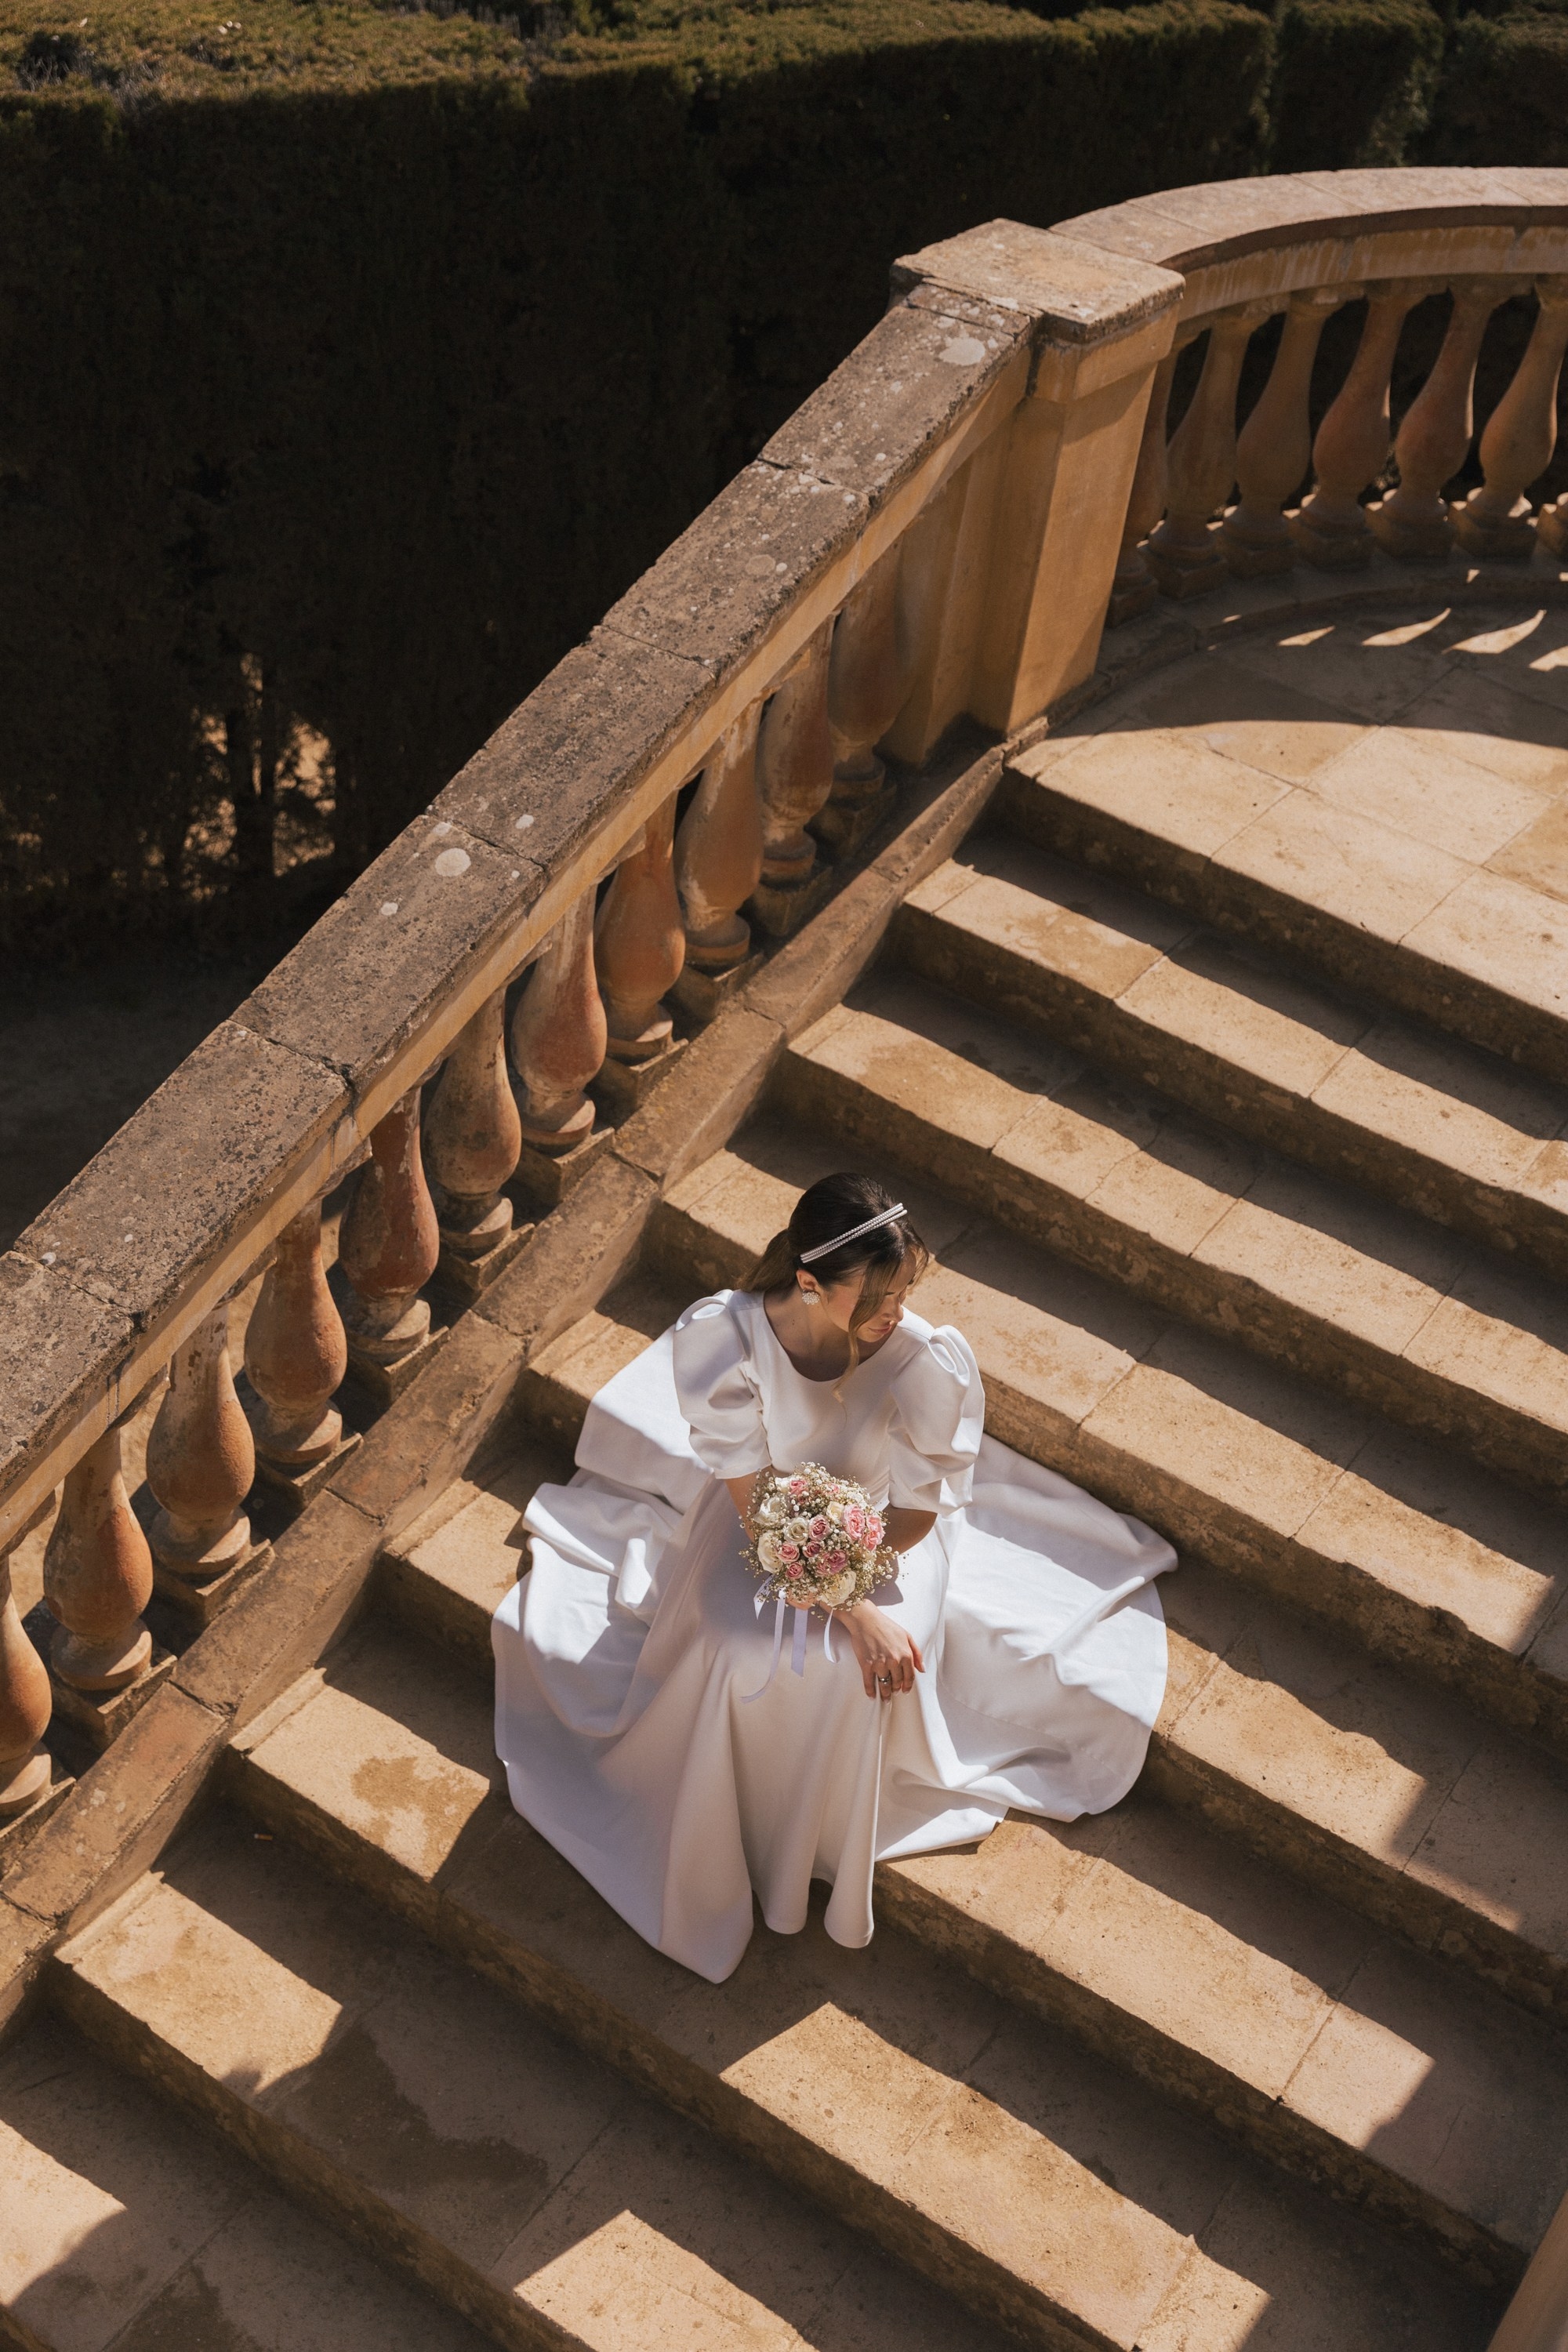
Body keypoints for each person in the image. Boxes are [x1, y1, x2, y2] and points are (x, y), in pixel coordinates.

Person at [492, 1172, 1174, 1984]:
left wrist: (860, 1563)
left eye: (904, 1292)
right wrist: (849, 1611)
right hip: (758, 1518)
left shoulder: (924, 1358)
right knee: (729, 1642)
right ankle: (717, 1825)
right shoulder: (728, 1336)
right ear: (810, 1285)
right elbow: (753, 1503)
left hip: (887, 1534)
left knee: (858, 1667)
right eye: (876, 1298)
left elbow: (923, 1505)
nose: (894, 1316)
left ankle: (815, 1833)